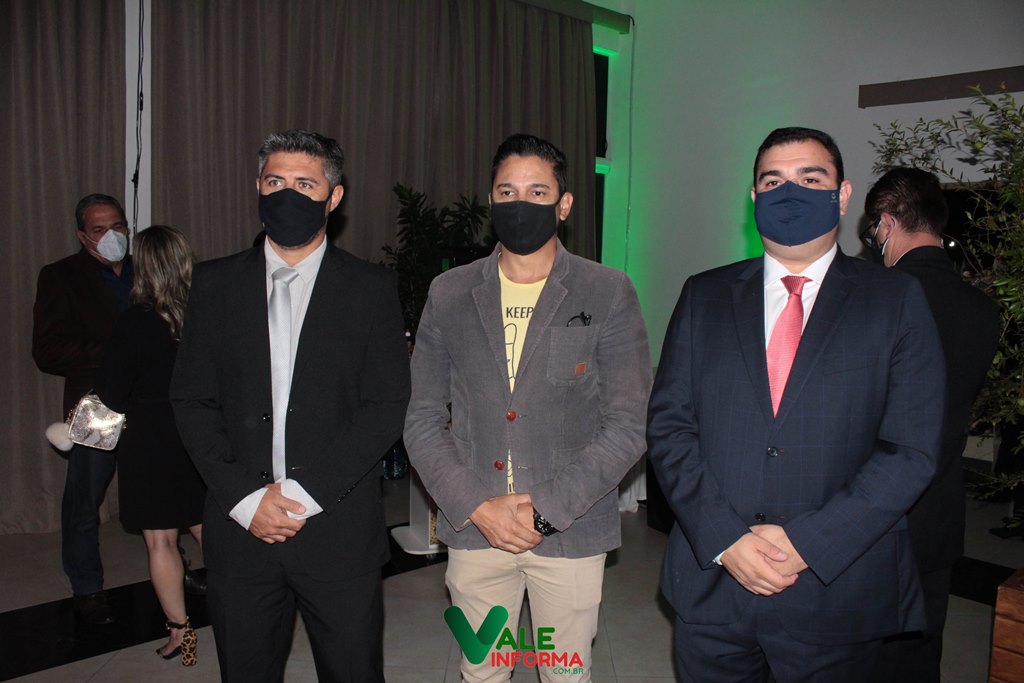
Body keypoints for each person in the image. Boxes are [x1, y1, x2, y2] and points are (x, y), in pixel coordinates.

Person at [646, 127, 947, 682]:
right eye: (773, 181)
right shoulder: (703, 296)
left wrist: (809, 543)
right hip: (714, 586)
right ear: (753, 197)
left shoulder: (896, 299)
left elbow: (910, 450)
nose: (790, 193)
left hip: (838, 592)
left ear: (843, 194)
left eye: (810, 179)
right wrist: (724, 537)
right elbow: (669, 428)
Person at [404, 133, 651, 683]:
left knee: (565, 674)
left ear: (564, 204)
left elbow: (629, 423)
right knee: (482, 670)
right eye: (507, 192)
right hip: (476, 529)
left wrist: (544, 511)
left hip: (570, 529)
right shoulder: (449, 293)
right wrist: (477, 506)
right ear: (491, 200)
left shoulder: (607, 291)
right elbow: (422, 419)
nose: (521, 204)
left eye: (538, 192)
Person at [170, 129, 410, 682]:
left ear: (334, 196)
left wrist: (304, 495)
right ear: (257, 186)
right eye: (275, 181)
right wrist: (246, 498)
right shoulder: (214, 284)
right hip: (241, 531)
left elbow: (385, 405)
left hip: (337, 531)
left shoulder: (371, 288)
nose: (287, 195)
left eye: (305, 184)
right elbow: (192, 399)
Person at [863, 167, 999, 682]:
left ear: (886, 223)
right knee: (918, 657)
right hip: (938, 511)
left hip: (870, 512)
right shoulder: (982, 309)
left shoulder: (876, 296)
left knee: (855, 657)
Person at [94, 225, 206, 665]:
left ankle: (181, 634)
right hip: (200, 435)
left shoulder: (133, 322)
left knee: (160, 541)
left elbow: (112, 393)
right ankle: (243, 614)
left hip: (149, 441)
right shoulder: (206, 315)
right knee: (212, 531)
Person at [33, 193, 133, 625]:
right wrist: (115, 351)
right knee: (84, 499)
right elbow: (47, 350)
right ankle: (87, 587)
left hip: (149, 400)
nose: (112, 235)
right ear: (81, 235)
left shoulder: (146, 269)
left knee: (162, 490)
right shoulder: (61, 276)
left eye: (118, 226)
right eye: (99, 229)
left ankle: (174, 568)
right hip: (96, 404)